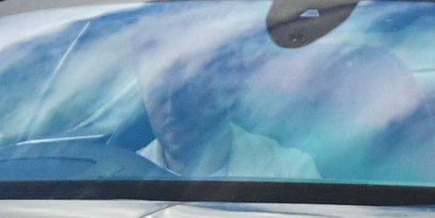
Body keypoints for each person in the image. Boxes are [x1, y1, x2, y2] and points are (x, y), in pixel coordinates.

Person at [132, 56, 319, 180]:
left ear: (224, 90)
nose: (172, 109)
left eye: (185, 91)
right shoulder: (121, 181)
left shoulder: (292, 174)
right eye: (158, 94)